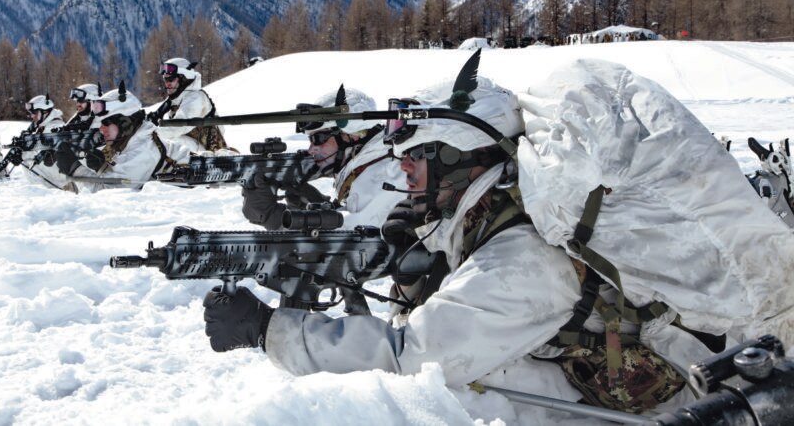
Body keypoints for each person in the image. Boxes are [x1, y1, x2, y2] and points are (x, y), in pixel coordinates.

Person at [203, 77, 713, 416]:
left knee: (452, 397)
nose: (400, 166)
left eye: (415, 155)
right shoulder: (482, 221)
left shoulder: (522, 258)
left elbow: (413, 362)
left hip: (650, 407)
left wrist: (270, 329)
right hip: (578, 372)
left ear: (458, 154)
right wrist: (412, 266)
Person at [241, 86, 405, 229]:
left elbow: (352, 244)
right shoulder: (370, 162)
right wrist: (315, 206)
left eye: (318, 139)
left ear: (351, 135)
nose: (311, 149)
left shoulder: (383, 172)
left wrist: (273, 218)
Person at [70, 82, 190, 186]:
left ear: (124, 123)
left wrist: (74, 169)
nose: (101, 129)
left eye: (106, 123)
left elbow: (109, 195)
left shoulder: (142, 151)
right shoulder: (127, 142)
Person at [147, 58, 229, 154]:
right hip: (194, 148)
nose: (167, 84)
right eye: (165, 79)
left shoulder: (196, 98)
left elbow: (178, 127)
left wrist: (151, 133)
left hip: (211, 153)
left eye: (170, 79)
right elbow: (154, 117)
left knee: (169, 142)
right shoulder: (176, 98)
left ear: (184, 79)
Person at [14, 94, 73, 190]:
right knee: (27, 160)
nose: (32, 116)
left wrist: (23, 151)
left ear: (45, 112)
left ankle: (56, 189)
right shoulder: (44, 125)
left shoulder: (54, 126)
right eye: (31, 113)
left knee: (29, 161)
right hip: (55, 169)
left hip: (60, 173)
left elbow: (42, 151)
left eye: (35, 113)